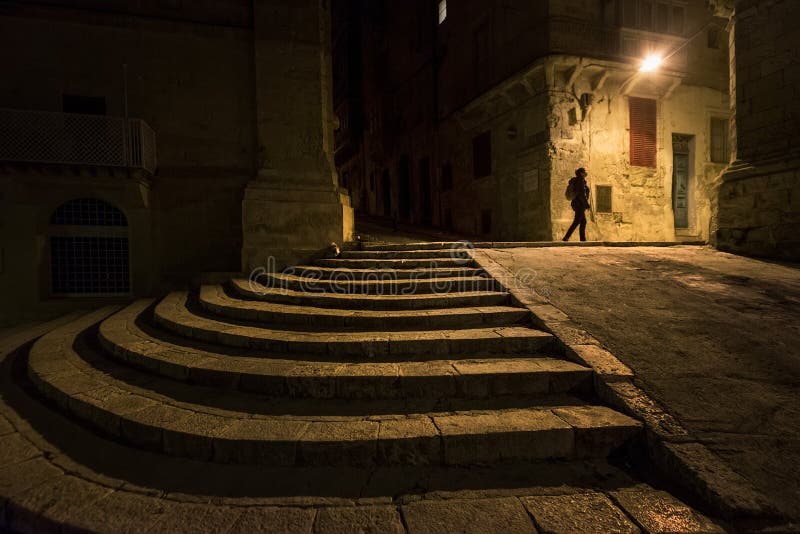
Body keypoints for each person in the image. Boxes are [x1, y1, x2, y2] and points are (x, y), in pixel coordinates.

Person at [563, 167, 591, 242]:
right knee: (576, 222)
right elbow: (581, 194)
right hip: (579, 204)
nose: (586, 173)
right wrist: (586, 204)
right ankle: (566, 237)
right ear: (581, 173)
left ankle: (582, 239)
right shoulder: (580, 181)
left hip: (577, 204)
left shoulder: (579, 180)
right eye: (584, 171)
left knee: (583, 221)